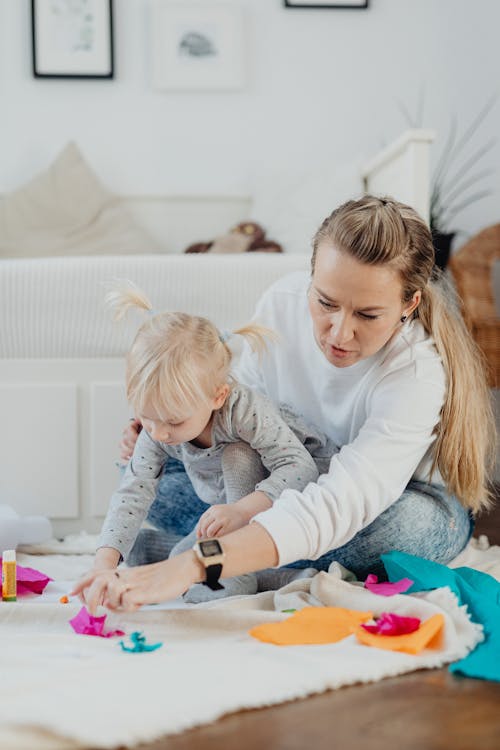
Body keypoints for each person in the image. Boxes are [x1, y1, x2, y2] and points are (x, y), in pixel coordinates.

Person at [73, 195, 496, 613]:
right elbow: (242, 416)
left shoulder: (416, 371)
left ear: (409, 304)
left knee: (400, 532)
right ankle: (257, 553)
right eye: (325, 303)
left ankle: (215, 553)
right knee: (149, 476)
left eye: (367, 315)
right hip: (281, 480)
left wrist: (194, 565)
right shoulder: (280, 303)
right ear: (310, 277)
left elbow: (341, 503)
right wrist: (180, 432)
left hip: (387, 504)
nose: (339, 333)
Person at [90, 281, 328, 602]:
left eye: (174, 421)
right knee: (136, 547)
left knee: (237, 455)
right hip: (225, 502)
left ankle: (238, 576)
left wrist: (241, 512)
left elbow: (301, 469)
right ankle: (273, 574)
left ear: (218, 396)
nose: (158, 433)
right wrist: (102, 564)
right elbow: (133, 492)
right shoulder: (157, 428)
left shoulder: (243, 411)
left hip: (291, 494)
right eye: (146, 416)